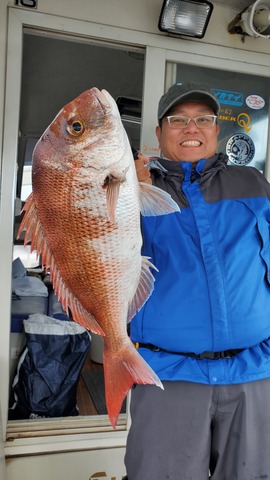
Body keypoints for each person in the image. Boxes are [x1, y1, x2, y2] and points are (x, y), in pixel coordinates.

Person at [124, 81, 270, 480]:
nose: (192, 128)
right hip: (167, 376)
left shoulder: (253, 186)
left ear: (216, 129)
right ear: (158, 133)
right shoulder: (134, 188)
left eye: (202, 119)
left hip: (255, 375)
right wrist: (126, 194)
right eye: (178, 120)